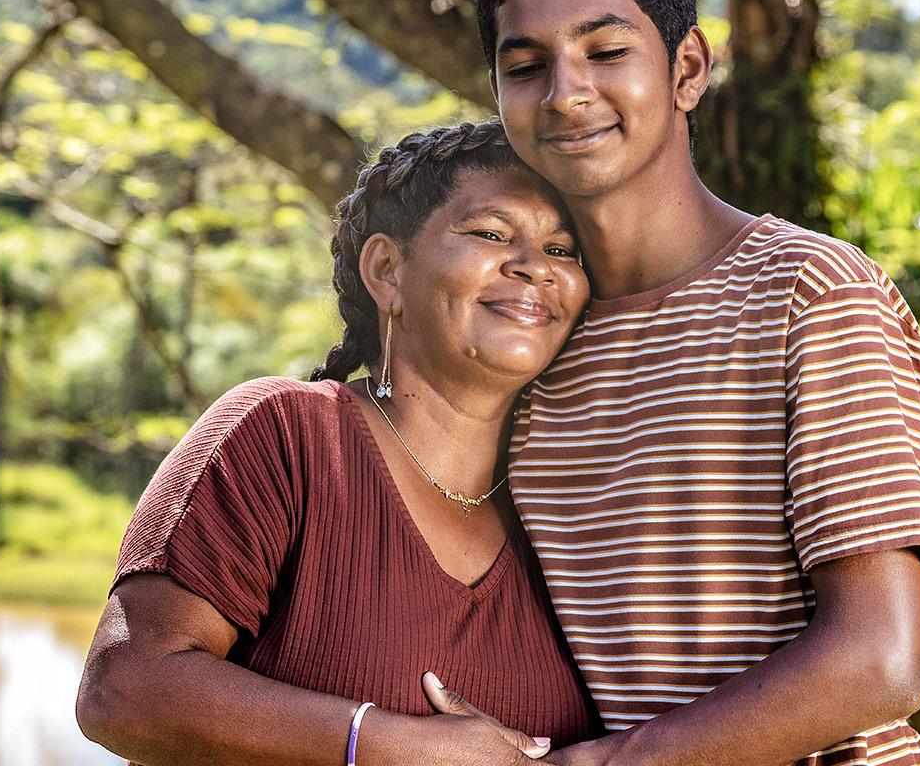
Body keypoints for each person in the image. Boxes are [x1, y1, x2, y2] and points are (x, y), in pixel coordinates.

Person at [428, 0, 920, 764]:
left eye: (605, 51)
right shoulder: (532, 341)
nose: (566, 94)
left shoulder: (809, 293)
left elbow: (882, 661)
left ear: (688, 69)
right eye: (526, 67)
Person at [74, 120, 599, 765]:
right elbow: (125, 689)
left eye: (564, 250)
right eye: (491, 233)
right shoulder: (285, 434)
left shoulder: (577, 504)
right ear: (387, 270)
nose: (535, 267)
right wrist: (388, 747)